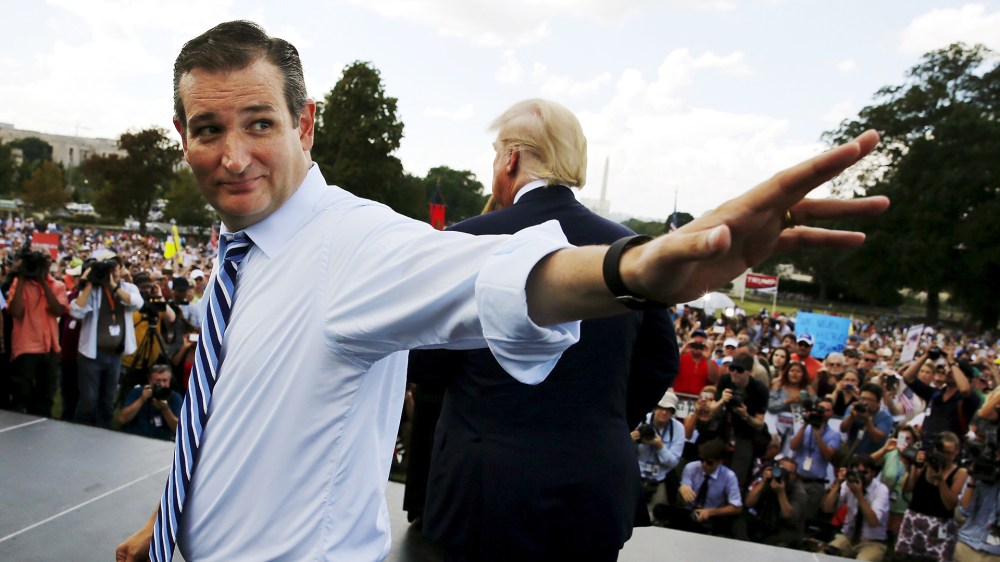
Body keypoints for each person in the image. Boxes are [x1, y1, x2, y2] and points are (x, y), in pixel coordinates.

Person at [115, 20, 889, 562]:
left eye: (259, 123)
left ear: (305, 124)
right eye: (208, 129)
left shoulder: (356, 246)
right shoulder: (245, 244)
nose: (233, 154)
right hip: (582, 491)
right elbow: (237, 408)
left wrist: (633, 269)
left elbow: (507, 278)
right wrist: (176, 513)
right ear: (181, 133)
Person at [407, 98, 677, 562]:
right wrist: (601, 419)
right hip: (593, 487)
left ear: (510, 158)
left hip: (483, 490)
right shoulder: (629, 250)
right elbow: (659, 363)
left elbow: (426, 360)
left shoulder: (466, 240)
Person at [71, 251, 143, 428]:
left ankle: (104, 434)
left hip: (115, 355)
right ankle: (80, 433)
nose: (113, 271)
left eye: (116, 267)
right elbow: (76, 311)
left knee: (107, 401)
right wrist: (88, 283)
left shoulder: (128, 288)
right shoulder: (93, 290)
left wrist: (114, 286)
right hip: (92, 355)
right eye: (109, 267)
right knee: (89, 400)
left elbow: (137, 303)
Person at [7, 248, 68, 416]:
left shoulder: (58, 286)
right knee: (21, 395)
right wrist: (20, 278)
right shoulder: (19, 284)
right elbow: (15, 312)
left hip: (50, 349)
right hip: (25, 348)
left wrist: (43, 282)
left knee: (45, 397)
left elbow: (58, 310)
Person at [894, 431, 967, 561]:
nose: (944, 456)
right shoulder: (925, 464)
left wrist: (941, 481)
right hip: (914, 519)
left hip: (940, 525)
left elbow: (950, 504)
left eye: (948, 453)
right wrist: (915, 466)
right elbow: (907, 489)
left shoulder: (960, 472)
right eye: (941, 451)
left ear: (957, 452)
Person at [658, 439, 743, 538]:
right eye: (702, 460)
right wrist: (682, 489)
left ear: (720, 462)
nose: (704, 465)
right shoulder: (691, 468)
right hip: (689, 513)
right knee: (660, 509)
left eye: (709, 462)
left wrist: (710, 512)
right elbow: (684, 493)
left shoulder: (729, 476)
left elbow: (736, 507)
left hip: (711, 517)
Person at [710, 352, 769, 489]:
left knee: (736, 478)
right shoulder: (725, 380)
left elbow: (759, 424)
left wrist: (746, 415)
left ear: (749, 372)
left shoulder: (759, 389)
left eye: (739, 370)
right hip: (723, 431)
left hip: (746, 434)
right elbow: (712, 411)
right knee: (712, 468)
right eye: (732, 368)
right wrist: (721, 401)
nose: (734, 373)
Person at [822, 455, 891, 561]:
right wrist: (837, 484)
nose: (860, 477)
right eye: (856, 472)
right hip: (848, 538)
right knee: (822, 556)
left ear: (873, 473)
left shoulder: (881, 490)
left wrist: (859, 495)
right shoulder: (848, 484)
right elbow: (827, 509)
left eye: (864, 473)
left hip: (872, 542)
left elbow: (873, 522)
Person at [636, 391, 686, 523]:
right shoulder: (640, 419)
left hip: (660, 477)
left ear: (673, 412)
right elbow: (622, 448)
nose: (664, 412)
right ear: (655, 407)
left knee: (656, 517)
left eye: (669, 410)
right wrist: (633, 439)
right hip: (635, 475)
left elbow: (673, 462)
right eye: (661, 408)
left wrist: (660, 446)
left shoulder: (678, 429)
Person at [789, 396, 842, 522]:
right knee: (792, 514)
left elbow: (828, 456)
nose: (823, 412)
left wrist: (818, 436)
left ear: (831, 413)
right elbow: (793, 446)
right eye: (820, 409)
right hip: (798, 479)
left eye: (827, 410)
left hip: (815, 483)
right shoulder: (805, 429)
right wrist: (805, 425)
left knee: (807, 518)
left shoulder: (833, 435)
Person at [744, 457, 808, 547]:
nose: (785, 475)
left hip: (787, 531)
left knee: (776, 543)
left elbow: (788, 516)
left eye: (790, 473)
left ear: (795, 475)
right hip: (765, 526)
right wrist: (763, 482)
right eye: (782, 470)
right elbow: (748, 503)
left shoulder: (799, 492)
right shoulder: (769, 481)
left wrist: (780, 492)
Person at [118, 364, 183, 441]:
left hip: (161, 441)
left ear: (170, 380)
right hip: (135, 437)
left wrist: (165, 410)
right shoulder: (138, 392)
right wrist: (141, 399)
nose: (161, 384)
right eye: (157, 381)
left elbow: (178, 429)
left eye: (165, 380)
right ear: (150, 380)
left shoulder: (175, 397)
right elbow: (123, 419)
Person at [840, 382, 894, 456]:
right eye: (863, 398)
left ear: (878, 402)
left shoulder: (885, 417)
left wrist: (867, 420)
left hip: (871, 458)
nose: (865, 402)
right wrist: (852, 416)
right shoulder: (853, 408)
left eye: (870, 400)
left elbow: (877, 439)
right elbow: (843, 429)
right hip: (851, 454)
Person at [673, 328, 719, 395]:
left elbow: (714, 380)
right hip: (678, 396)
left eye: (700, 344)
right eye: (695, 344)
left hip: (699, 401)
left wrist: (708, 359)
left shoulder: (711, 362)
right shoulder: (682, 357)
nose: (697, 347)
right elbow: (668, 368)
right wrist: (682, 351)